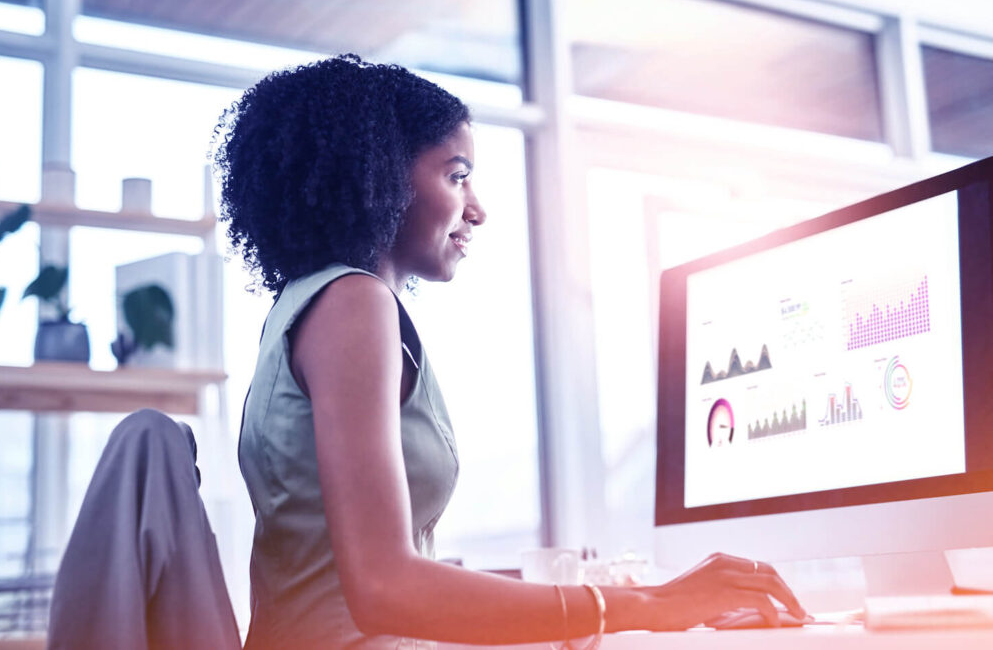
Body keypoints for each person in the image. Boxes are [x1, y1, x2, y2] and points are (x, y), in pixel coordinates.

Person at [215, 54, 806, 649]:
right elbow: (384, 589)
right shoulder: (353, 303)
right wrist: (651, 606)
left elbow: (350, 577)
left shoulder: (306, 305)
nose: (477, 208)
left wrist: (606, 599)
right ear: (379, 176)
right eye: (456, 176)